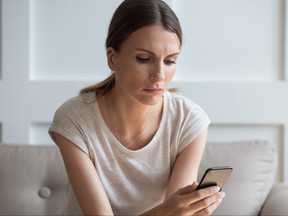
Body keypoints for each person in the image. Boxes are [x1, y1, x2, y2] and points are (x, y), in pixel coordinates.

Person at [48, 0, 225, 215]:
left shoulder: (189, 120)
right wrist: (167, 212)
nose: (159, 75)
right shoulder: (74, 119)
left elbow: (177, 212)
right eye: (144, 59)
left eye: (170, 61)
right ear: (112, 59)